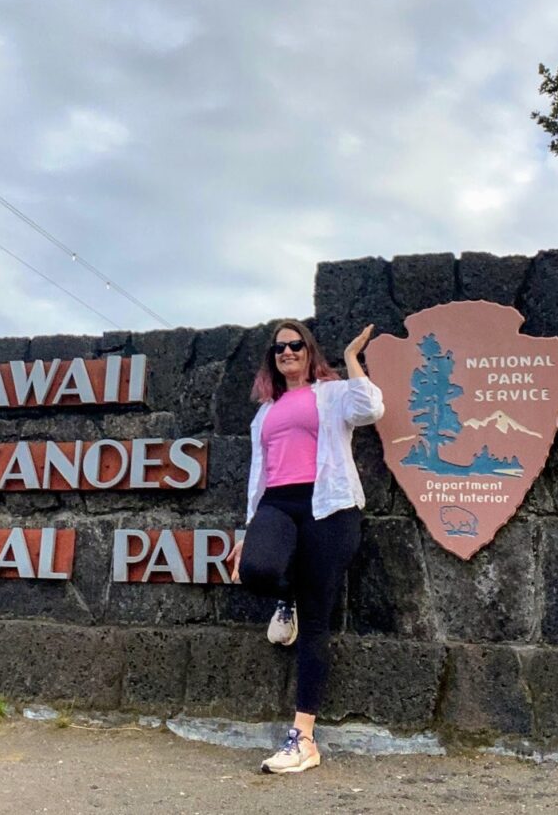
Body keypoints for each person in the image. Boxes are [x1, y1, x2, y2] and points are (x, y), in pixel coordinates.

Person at [228, 319, 383, 774]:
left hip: (328, 505)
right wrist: (247, 534)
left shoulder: (332, 394)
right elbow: (257, 477)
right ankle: (284, 598)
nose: (288, 352)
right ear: (272, 360)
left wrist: (353, 358)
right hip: (276, 505)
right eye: (280, 348)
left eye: (296, 345)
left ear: (309, 352)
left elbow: (370, 408)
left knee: (317, 622)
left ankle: (304, 738)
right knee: (256, 569)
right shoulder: (265, 412)